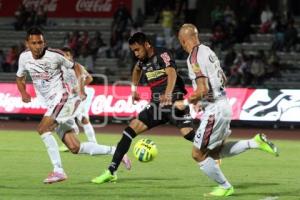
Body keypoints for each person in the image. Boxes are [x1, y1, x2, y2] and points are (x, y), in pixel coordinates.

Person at [16, 27, 131, 184]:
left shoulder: (55, 55)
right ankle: (116, 152)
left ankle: (58, 170)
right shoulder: (24, 58)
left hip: (62, 99)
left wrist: (81, 88)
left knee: (42, 129)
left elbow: (77, 67)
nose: (37, 46)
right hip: (50, 103)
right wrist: (23, 93)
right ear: (27, 43)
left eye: (40, 42)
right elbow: (20, 77)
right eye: (34, 43)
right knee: (74, 147)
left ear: (45, 42)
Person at [176, 24, 279, 197]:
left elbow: (202, 89)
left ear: (183, 40)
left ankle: (225, 186)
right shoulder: (208, 51)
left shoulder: (193, 58)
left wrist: (185, 103)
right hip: (223, 104)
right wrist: (203, 100)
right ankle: (255, 142)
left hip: (215, 109)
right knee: (215, 151)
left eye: (181, 42)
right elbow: (222, 78)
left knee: (197, 153)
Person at [91, 32, 196, 184]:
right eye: (133, 51)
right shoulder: (142, 61)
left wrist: (167, 94)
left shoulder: (163, 54)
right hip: (156, 105)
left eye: (137, 49)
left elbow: (172, 73)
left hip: (174, 101)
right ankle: (111, 171)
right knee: (129, 131)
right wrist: (134, 89)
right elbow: (137, 70)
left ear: (147, 45)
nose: (136, 53)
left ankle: (213, 149)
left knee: (188, 134)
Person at [58, 47, 97, 152]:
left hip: (82, 94)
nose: (64, 57)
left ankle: (90, 143)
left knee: (78, 117)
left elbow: (89, 78)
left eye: (66, 55)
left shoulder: (77, 66)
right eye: (62, 55)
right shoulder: (61, 68)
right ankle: (88, 142)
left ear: (70, 56)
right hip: (73, 96)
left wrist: (79, 87)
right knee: (78, 118)